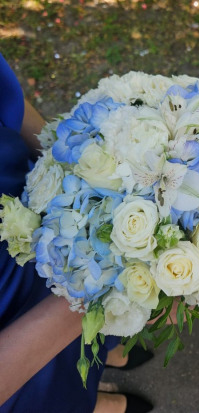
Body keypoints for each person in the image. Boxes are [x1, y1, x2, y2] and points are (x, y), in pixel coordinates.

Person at [0, 55, 153, 413]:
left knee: (93, 333)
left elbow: (7, 100)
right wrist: (96, 290)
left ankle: (108, 354)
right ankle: (98, 403)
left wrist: (63, 158)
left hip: (36, 208)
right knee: (48, 385)